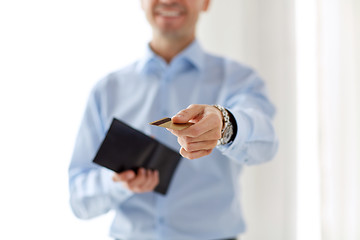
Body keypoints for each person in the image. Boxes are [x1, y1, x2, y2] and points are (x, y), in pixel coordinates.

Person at [68, 0, 278, 239]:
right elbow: (78, 199)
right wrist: (118, 183)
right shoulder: (106, 91)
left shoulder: (239, 80)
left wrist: (225, 124)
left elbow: (267, 142)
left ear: (206, 3)